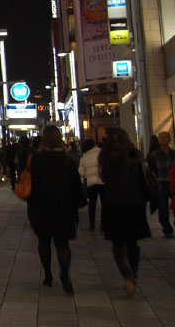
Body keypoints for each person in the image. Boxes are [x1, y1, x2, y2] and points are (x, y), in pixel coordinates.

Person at [28, 126, 85, 294]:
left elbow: (31, 185)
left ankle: (47, 274)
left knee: (44, 241)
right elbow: (76, 186)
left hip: (41, 206)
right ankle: (64, 274)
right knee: (62, 243)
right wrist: (78, 204)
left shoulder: (36, 160)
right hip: (63, 207)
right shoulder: (67, 160)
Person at [99, 128, 153, 297]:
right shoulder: (135, 157)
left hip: (113, 205)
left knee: (118, 245)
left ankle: (127, 275)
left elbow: (104, 179)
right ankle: (133, 276)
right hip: (135, 204)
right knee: (132, 243)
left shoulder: (106, 159)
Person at [146, 131, 174, 238]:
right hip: (161, 183)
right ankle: (167, 229)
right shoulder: (154, 155)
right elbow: (150, 171)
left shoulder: (173, 154)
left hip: (173, 182)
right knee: (163, 207)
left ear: (169, 139)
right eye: (161, 137)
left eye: (165, 137)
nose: (163, 139)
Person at [78, 138, 104, 231]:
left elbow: (81, 172)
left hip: (91, 183)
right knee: (104, 203)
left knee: (92, 203)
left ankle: (92, 223)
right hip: (102, 181)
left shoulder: (84, 158)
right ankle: (103, 223)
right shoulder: (101, 153)